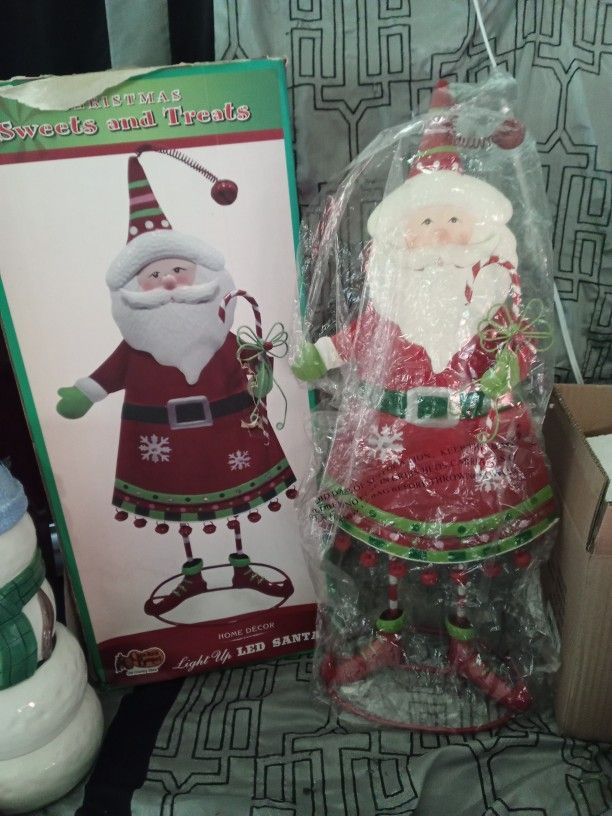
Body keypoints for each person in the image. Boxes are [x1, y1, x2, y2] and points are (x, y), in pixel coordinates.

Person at [293, 81, 556, 712]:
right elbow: (358, 337)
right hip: (396, 440)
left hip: (470, 443)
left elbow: (519, 346)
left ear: (480, 230)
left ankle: (465, 643)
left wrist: (503, 369)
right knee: (391, 550)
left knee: (463, 551)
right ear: (402, 234)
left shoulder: (492, 293)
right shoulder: (392, 299)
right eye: (427, 221)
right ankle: (386, 636)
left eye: (453, 220)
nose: (440, 233)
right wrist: (321, 355)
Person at [57, 152, 295, 616]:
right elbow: (110, 372)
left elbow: (256, 374)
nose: (168, 281)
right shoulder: (137, 345)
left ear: (202, 276)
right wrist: (85, 393)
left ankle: (242, 568)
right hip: (164, 443)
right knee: (181, 512)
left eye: (179, 271)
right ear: (133, 288)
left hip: (228, 436)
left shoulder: (223, 336)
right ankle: (193, 576)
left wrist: (263, 370)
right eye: (153, 276)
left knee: (237, 504)